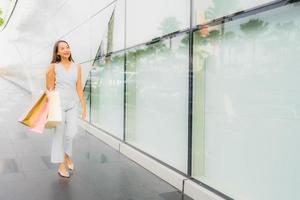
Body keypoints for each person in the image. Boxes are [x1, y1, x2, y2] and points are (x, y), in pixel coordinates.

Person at [45, 40, 86, 178]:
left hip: (73, 104)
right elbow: (50, 87)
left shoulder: (77, 66)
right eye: (62, 48)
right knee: (59, 134)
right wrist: (47, 74)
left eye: (67, 47)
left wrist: (84, 107)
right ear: (57, 52)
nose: (66, 49)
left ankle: (67, 155)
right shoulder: (53, 66)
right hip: (59, 105)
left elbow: (79, 87)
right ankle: (61, 165)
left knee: (71, 133)